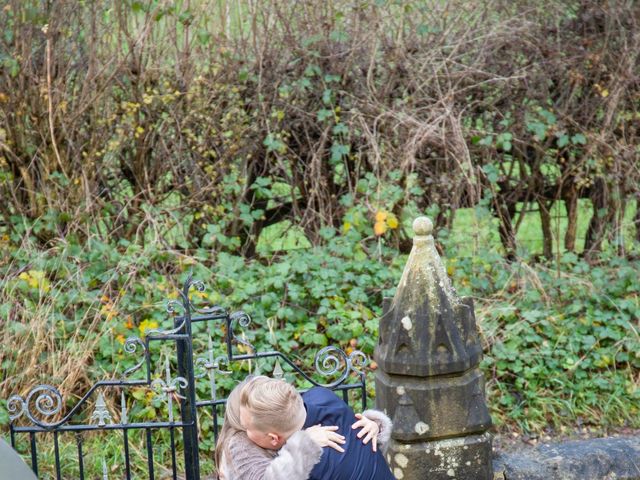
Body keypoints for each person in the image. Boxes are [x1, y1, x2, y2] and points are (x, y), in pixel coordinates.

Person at [215, 376, 393, 480]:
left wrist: (303, 445)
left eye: (246, 428)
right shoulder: (321, 395)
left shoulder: (313, 467)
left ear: (274, 439)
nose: (242, 432)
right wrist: (374, 424)